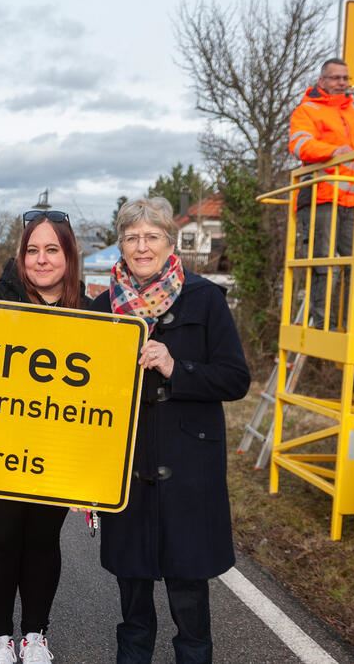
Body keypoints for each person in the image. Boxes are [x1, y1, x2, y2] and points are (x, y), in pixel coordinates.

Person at [92, 197, 251, 664]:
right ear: (121, 245)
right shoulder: (103, 308)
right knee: (133, 595)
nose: (142, 247)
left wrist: (175, 367)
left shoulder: (205, 299)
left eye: (151, 237)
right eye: (132, 237)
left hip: (189, 468)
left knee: (189, 594)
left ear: (169, 242)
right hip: (128, 469)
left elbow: (235, 379)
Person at [0, 209, 87, 664]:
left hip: (53, 451)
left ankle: (35, 634)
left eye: (52, 250)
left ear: (68, 256)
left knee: (42, 542)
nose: (42, 260)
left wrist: (93, 471)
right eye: (32, 250)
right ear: (20, 256)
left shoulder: (90, 311)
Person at [288, 57, 354, 331]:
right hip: (321, 197)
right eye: (336, 78)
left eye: (345, 78)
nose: (342, 83)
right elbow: (301, 145)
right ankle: (323, 323)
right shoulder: (307, 110)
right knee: (324, 265)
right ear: (322, 81)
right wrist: (331, 151)